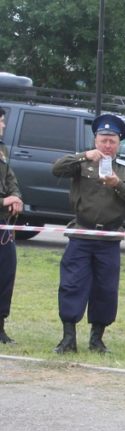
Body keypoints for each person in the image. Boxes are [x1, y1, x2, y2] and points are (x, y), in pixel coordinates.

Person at [51, 114, 125, 354]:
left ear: (119, 144)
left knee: (106, 289)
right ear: (95, 140)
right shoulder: (82, 162)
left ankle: (97, 340)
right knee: (72, 285)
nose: (107, 145)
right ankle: (68, 339)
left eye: (112, 141)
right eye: (103, 140)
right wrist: (84, 156)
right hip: (82, 234)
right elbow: (56, 168)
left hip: (109, 238)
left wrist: (118, 185)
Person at [0, 107, 24, 345]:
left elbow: (10, 179)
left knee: (6, 274)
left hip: (3, 224)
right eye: (0, 122)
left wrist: (15, 197)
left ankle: (0, 326)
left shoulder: (2, 149)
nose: (4, 126)